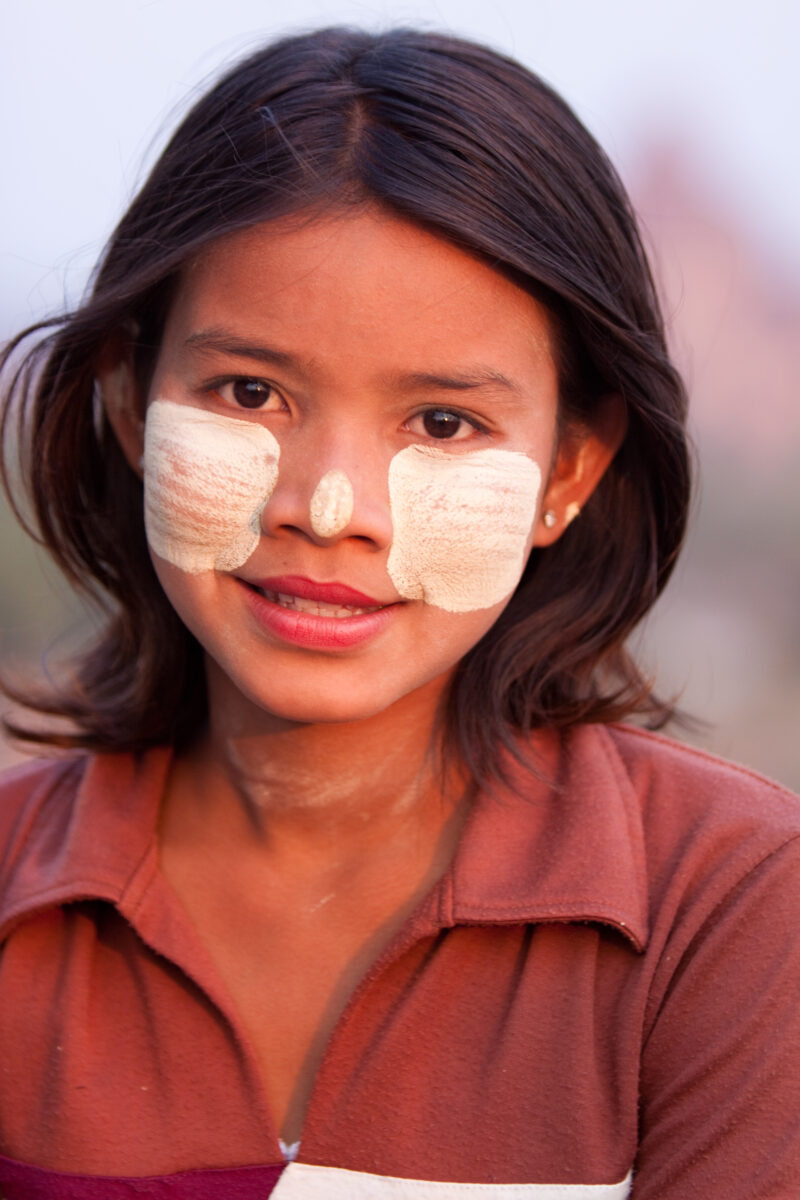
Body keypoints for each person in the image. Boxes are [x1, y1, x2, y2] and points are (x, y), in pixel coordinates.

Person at [0, 26, 798, 1200]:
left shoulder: (719, 904)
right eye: (250, 392)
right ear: (130, 402)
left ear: (567, 471)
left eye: (441, 424)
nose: (330, 509)